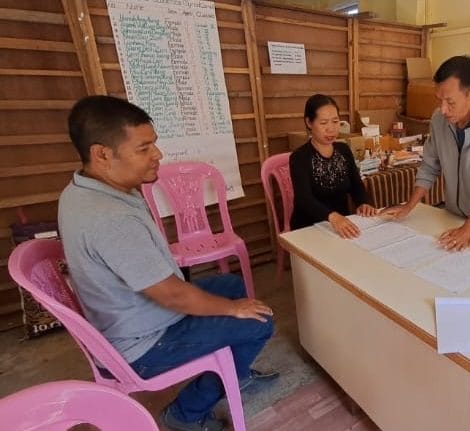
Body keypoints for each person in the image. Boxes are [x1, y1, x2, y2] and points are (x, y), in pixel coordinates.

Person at [58, 96, 276, 431]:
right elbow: (172, 296)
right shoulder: (109, 219)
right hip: (143, 344)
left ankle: (234, 371)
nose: (158, 155)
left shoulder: (83, 190)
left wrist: (231, 305)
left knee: (233, 286)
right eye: (144, 148)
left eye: (154, 145)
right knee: (258, 322)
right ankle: (185, 414)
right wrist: (233, 311)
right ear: (102, 154)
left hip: (133, 315)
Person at [385, 55, 470, 251]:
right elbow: (429, 166)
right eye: (440, 101)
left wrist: (468, 230)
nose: (443, 110)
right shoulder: (439, 120)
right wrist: (409, 206)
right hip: (452, 214)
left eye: (450, 102)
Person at [289, 94, 376, 238]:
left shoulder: (343, 150)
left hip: (342, 225)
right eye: (323, 123)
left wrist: (363, 203)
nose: (331, 129)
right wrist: (333, 217)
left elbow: (356, 185)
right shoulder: (299, 158)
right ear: (309, 123)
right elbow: (304, 199)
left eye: (335, 121)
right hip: (308, 228)